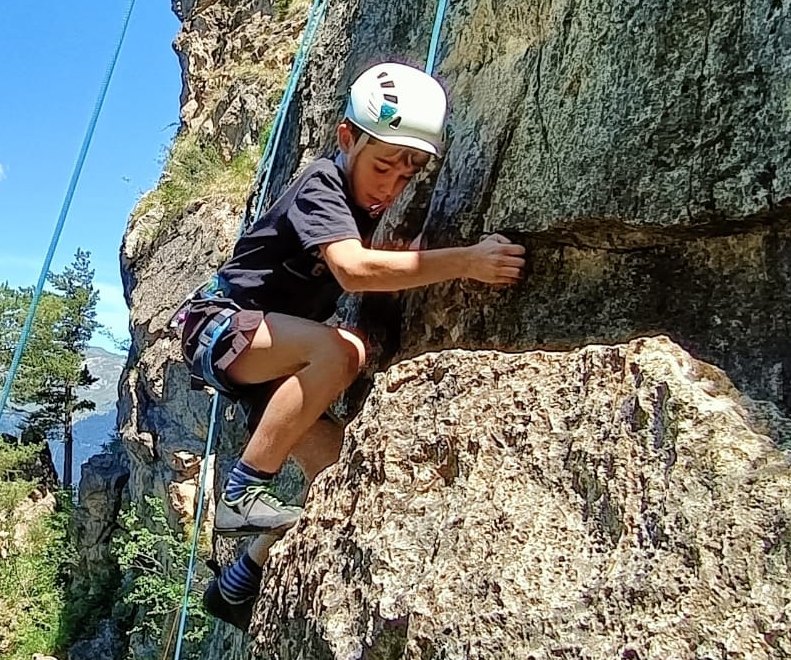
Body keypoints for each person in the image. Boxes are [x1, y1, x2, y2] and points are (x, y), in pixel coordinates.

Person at [171, 62, 526, 631]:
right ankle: (240, 496)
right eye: (382, 164)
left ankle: (237, 584)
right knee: (342, 353)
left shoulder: (364, 211)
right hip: (220, 325)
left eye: (406, 174)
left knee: (337, 477)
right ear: (346, 139)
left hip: (264, 361)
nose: (390, 184)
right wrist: (466, 261)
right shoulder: (322, 184)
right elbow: (354, 270)